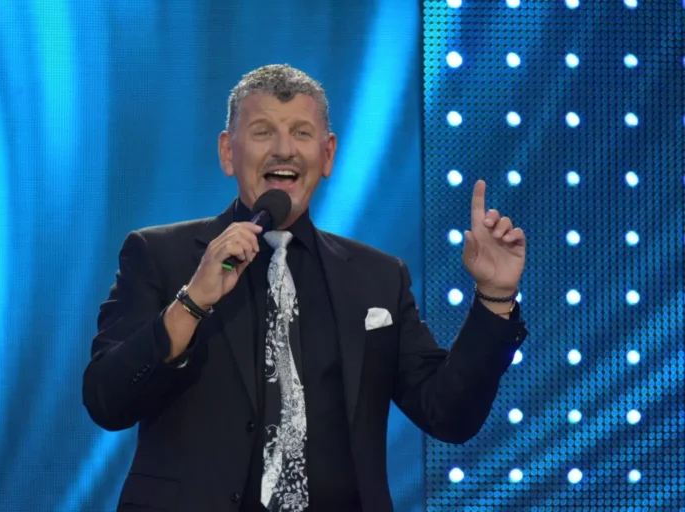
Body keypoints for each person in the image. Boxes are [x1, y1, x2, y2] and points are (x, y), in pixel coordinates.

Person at [82, 64, 528, 512]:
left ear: (327, 154)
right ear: (228, 152)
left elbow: (448, 414)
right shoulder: (161, 256)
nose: (284, 150)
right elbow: (107, 402)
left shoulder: (378, 277)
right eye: (262, 132)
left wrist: (495, 297)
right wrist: (193, 302)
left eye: (301, 133)